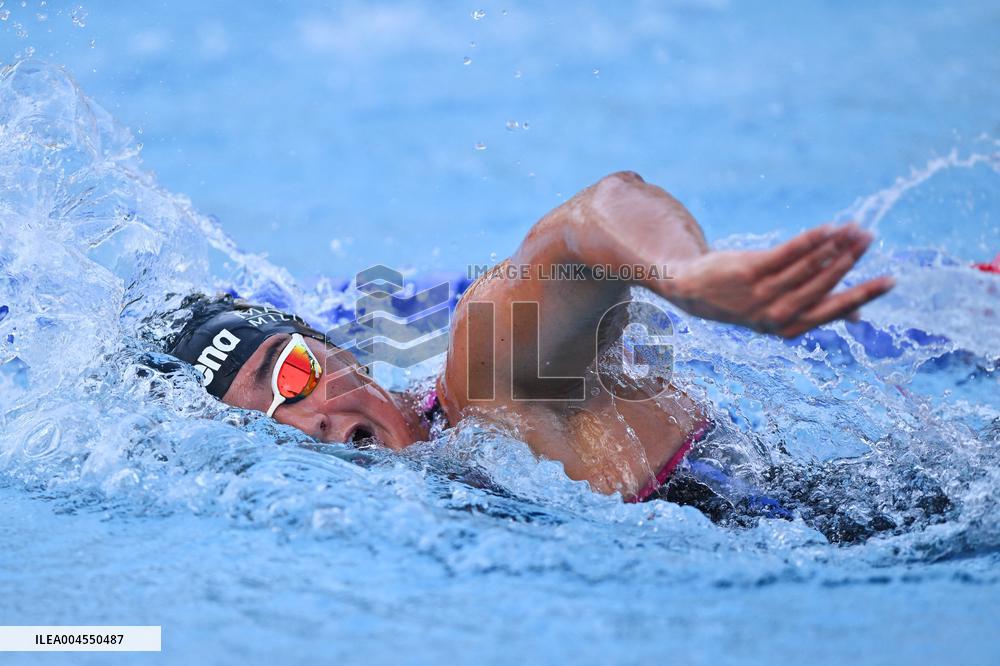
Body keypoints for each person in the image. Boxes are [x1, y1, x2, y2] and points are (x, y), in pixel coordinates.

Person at [165, 171, 893, 503]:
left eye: (289, 377)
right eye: (262, 428)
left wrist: (687, 272)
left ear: (341, 352)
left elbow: (589, 219)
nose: (306, 421)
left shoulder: (488, 393)